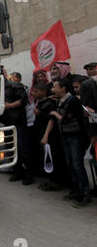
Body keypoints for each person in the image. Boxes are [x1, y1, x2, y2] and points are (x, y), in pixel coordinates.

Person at [50, 79, 91, 207]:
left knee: (77, 165)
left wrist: (55, 114)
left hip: (76, 136)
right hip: (66, 136)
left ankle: (85, 194)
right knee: (71, 164)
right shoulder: (60, 101)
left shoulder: (72, 100)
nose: (53, 89)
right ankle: (76, 191)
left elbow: (65, 120)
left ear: (63, 88)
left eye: (55, 87)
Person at [32, 83, 69, 191]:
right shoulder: (42, 102)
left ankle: (55, 182)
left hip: (51, 136)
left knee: (53, 158)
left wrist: (46, 135)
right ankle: (50, 180)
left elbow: (51, 120)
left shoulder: (49, 103)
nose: (34, 94)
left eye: (36, 91)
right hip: (42, 134)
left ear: (43, 92)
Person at [1, 73, 32, 185]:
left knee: (23, 149)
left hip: (18, 122)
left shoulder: (15, 85)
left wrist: (9, 106)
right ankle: (17, 171)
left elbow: (22, 100)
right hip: (6, 122)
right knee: (11, 148)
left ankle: (28, 174)